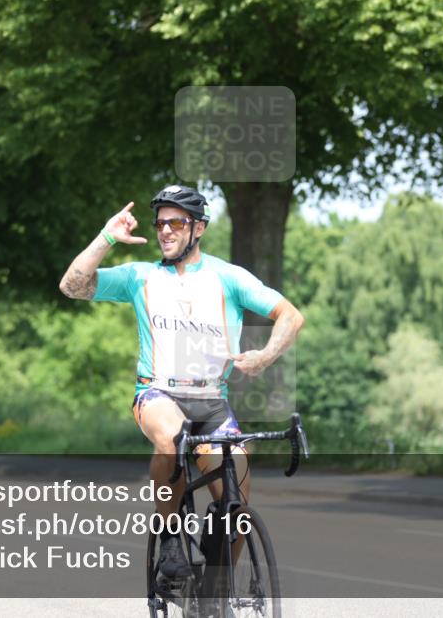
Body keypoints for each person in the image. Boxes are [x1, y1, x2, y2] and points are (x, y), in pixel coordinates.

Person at [58, 186, 304, 579]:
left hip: (211, 400)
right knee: (171, 439)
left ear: (199, 228)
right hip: (157, 392)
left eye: (176, 222)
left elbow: (291, 316)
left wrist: (266, 355)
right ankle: (171, 534)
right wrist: (107, 237)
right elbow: (72, 286)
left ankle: (214, 590)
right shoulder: (140, 276)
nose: (165, 231)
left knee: (237, 508)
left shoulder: (228, 277)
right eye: (160, 223)